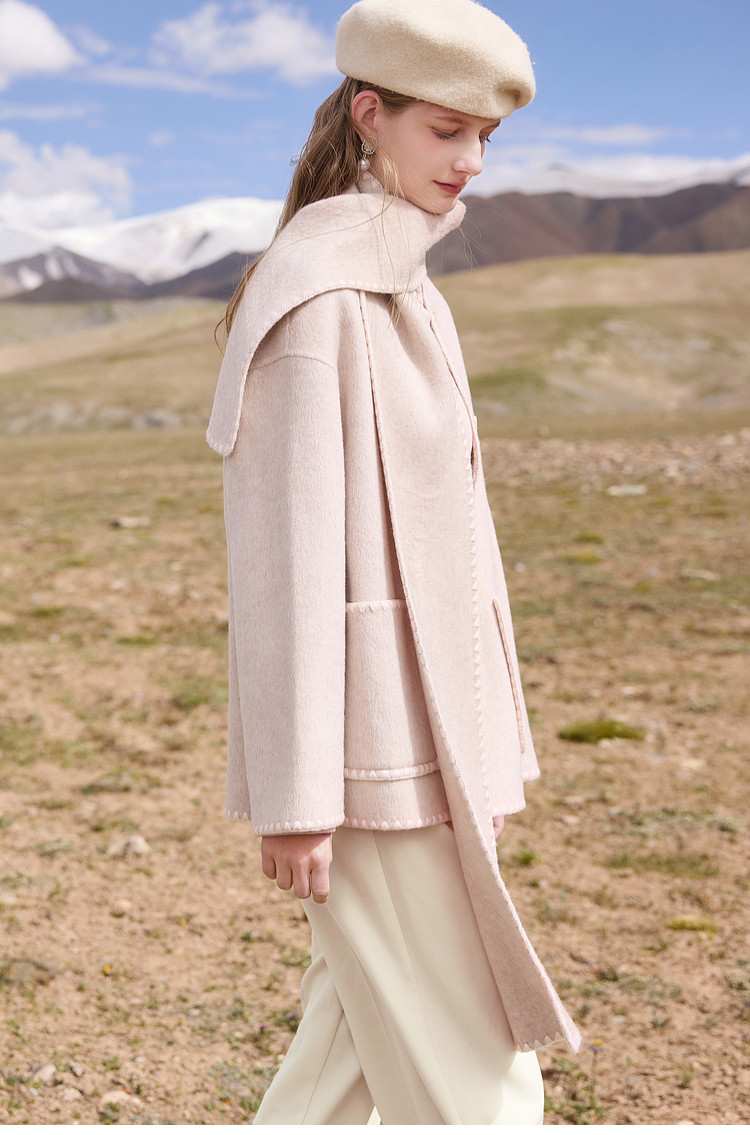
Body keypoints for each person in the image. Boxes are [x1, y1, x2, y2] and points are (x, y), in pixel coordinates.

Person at [207, 0, 581, 1123]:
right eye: (445, 130)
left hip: (434, 745)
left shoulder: (409, 285)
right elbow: (285, 565)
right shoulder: (318, 297)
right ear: (369, 115)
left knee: (342, 1065)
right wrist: (296, 794)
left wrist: (485, 758)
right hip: (367, 760)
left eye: (486, 137)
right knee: (482, 1088)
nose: (471, 162)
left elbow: (459, 543)